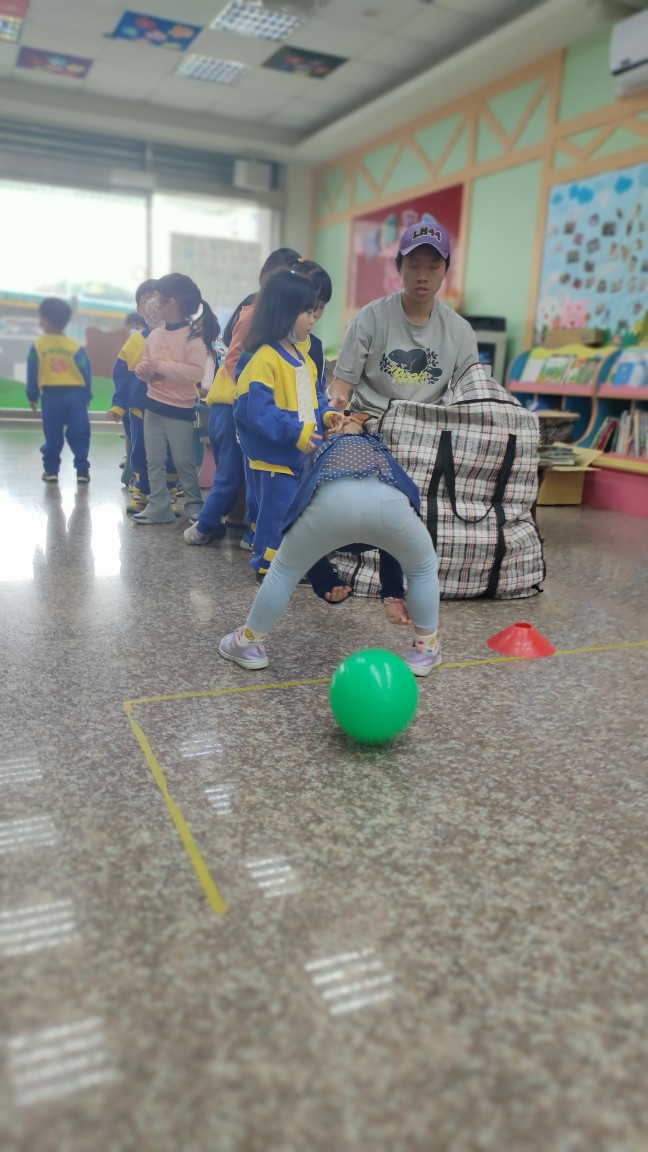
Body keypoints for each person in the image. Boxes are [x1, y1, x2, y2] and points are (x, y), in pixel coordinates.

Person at [219, 418, 441, 677]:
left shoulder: (319, 456)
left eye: (348, 418)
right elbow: (392, 542)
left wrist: (325, 580)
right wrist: (391, 594)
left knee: (284, 571)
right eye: (338, 420)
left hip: (330, 503)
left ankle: (248, 643)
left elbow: (303, 526)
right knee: (423, 569)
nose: (344, 419)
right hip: (391, 505)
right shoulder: (379, 450)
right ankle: (426, 649)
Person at [184, 247, 300, 548]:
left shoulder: (277, 321)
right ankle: (205, 526)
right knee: (231, 474)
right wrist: (257, 391)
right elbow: (236, 361)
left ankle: (246, 530)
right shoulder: (255, 315)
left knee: (249, 473)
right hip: (231, 407)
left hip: (240, 407)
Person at [233, 268, 344, 579]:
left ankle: (290, 564)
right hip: (274, 459)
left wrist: (327, 416)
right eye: (306, 311)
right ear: (283, 312)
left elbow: (314, 400)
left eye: (314, 310)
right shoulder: (264, 359)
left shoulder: (303, 359)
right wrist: (297, 432)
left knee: (295, 512)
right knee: (275, 514)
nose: (313, 318)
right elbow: (258, 413)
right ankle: (268, 567)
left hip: (298, 455)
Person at [326, 219, 479, 419]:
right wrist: (337, 402)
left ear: (445, 270)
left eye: (433, 267)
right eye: (414, 265)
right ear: (399, 266)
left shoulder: (460, 332)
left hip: (427, 427)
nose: (422, 276)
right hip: (368, 421)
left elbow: (471, 396)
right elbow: (341, 383)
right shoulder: (369, 318)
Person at [132, 273, 219, 526]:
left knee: (183, 462)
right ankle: (158, 505)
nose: (154, 304)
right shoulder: (155, 336)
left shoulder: (193, 339)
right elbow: (149, 366)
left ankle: (194, 505)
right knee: (154, 460)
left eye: (159, 298)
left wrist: (159, 366)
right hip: (153, 407)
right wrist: (144, 371)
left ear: (172, 303)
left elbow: (194, 373)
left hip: (180, 410)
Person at [106, 280, 179, 515]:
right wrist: (118, 405)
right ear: (140, 309)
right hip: (141, 409)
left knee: (170, 454)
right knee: (141, 452)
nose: (154, 306)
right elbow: (121, 378)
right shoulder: (134, 342)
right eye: (147, 301)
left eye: (158, 300)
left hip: (171, 409)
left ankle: (168, 493)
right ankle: (142, 491)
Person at [26, 297, 92, 482]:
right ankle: (82, 470)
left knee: (52, 434)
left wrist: (32, 395)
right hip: (75, 395)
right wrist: (87, 394)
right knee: (79, 432)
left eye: (41, 317)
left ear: (46, 320)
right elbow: (85, 371)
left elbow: (32, 372)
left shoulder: (38, 346)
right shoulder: (74, 346)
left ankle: (51, 471)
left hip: (51, 396)